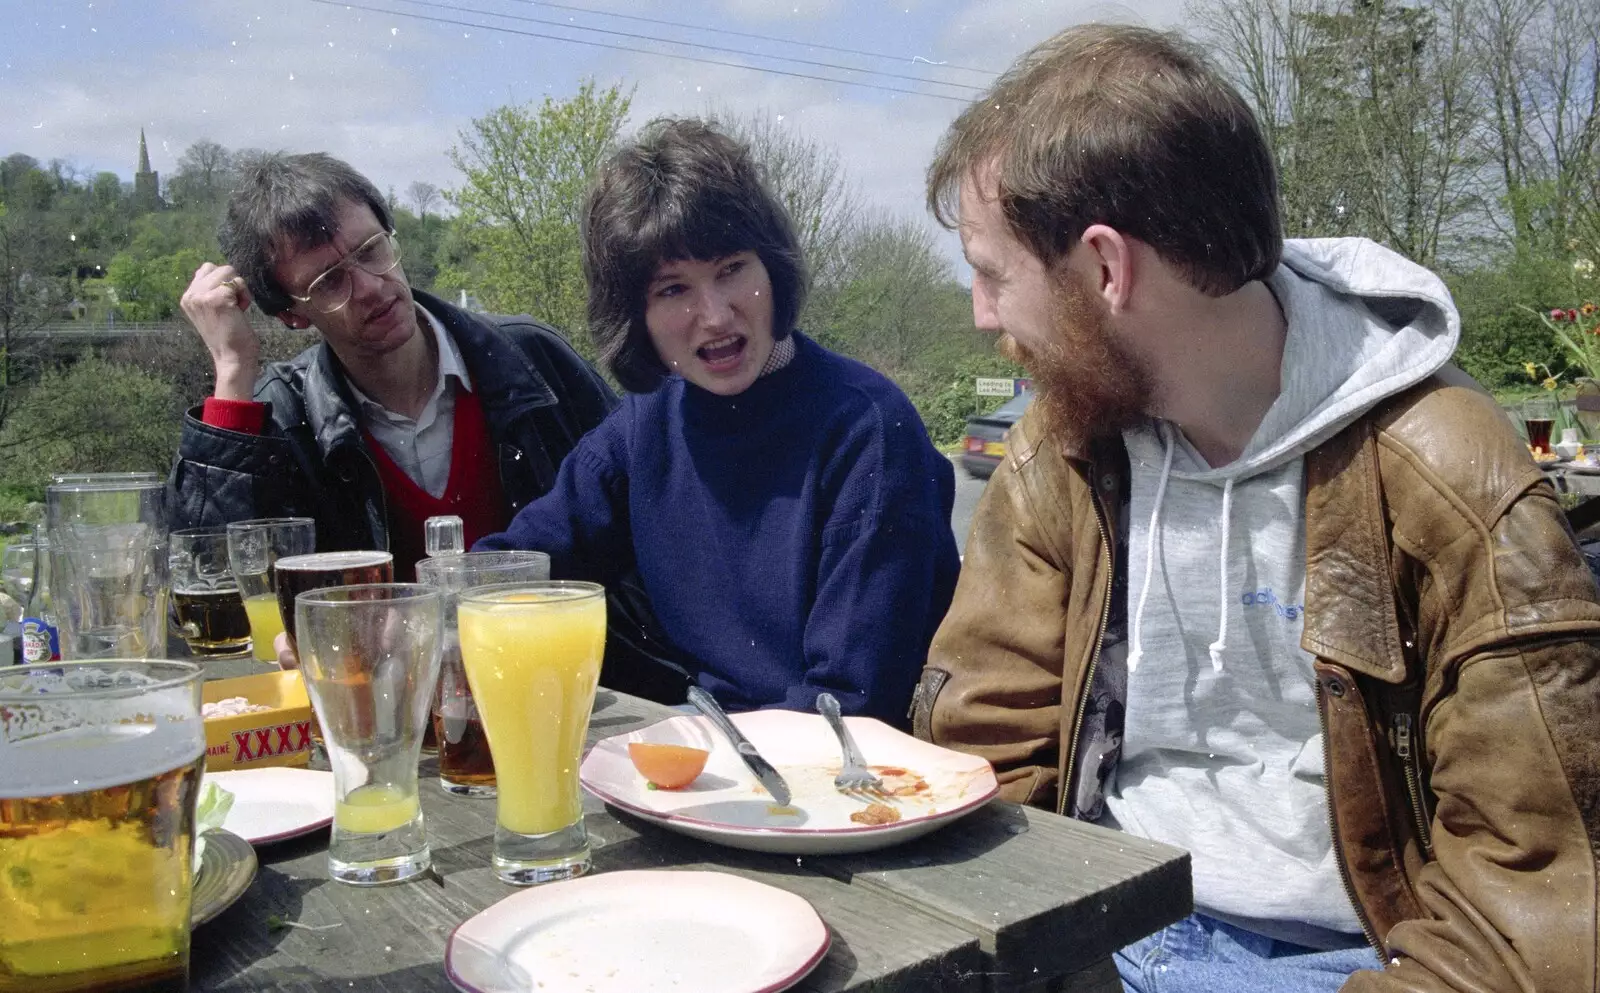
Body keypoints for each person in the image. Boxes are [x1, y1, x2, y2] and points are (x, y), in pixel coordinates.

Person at [911, 22, 1600, 993]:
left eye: (992, 274)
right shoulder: (1061, 447)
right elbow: (986, 753)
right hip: (1092, 927)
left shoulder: (1448, 473)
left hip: (1354, 964)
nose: (983, 316)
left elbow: (1534, 905)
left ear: (1106, 269)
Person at [477, 118, 960, 723]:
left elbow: (850, 700)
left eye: (732, 269)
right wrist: (415, 611)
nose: (714, 315)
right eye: (674, 289)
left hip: (841, 772)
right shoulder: (640, 429)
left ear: (773, 269)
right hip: (710, 753)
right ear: (636, 316)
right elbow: (518, 570)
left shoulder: (868, 430)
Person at [170, 151, 680, 696]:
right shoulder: (284, 417)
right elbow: (207, 598)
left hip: (577, 696)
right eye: (329, 281)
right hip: (386, 721)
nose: (369, 286)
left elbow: (656, 520)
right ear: (292, 313)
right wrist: (231, 372)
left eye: (371, 250)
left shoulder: (533, 360)